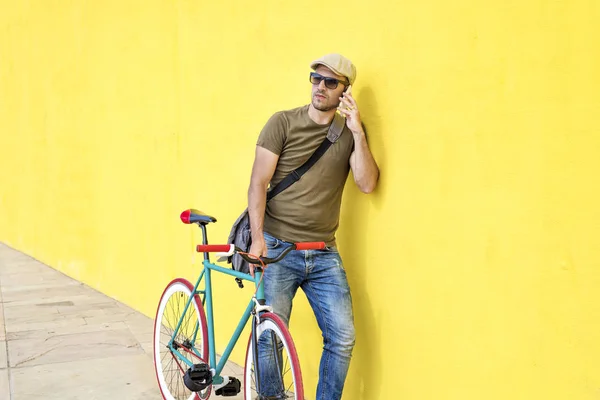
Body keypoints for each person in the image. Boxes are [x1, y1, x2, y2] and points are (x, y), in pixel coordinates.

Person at [247, 53, 379, 400]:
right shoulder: (283, 123)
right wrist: (258, 238)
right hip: (277, 247)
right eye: (316, 78)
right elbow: (258, 182)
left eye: (331, 82)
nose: (321, 86)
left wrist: (358, 133)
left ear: (345, 92)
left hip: (322, 252)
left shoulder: (349, 134)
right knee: (269, 335)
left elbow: (367, 183)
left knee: (343, 336)